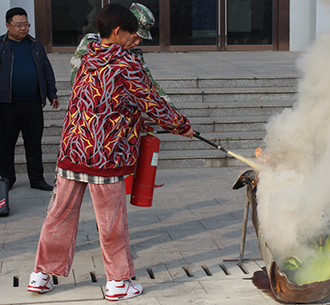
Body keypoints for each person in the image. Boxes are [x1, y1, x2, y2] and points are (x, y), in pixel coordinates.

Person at [28, 3, 194, 301]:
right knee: (111, 221)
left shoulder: (86, 56)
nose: (136, 39)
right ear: (117, 31)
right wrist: (182, 125)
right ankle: (118, 282)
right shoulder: (125, 63)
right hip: (106, 153)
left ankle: (40, 275)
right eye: (132, 33)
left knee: (58, 215)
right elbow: (152, 102)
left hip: (73, 148)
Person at [0, 7, 60, 191]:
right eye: (19, 25)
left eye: (26, 24)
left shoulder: (36, 45)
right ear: (7, 25)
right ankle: (7, 179)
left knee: (34, 144)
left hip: (33, 103)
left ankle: (37, 179)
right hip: (7, 104)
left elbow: (46, 70)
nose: (23, 28)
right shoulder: (1, 46)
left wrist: (52, 93)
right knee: (5, 145)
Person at [70, 2, 172, 105]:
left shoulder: (134, 55)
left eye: (141, 39)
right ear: (122, 29)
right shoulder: (92, 44)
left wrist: (172, 111)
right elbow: (77, 81)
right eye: (135, 36)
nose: (137, 43)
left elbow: (150, 86)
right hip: (91, 111)